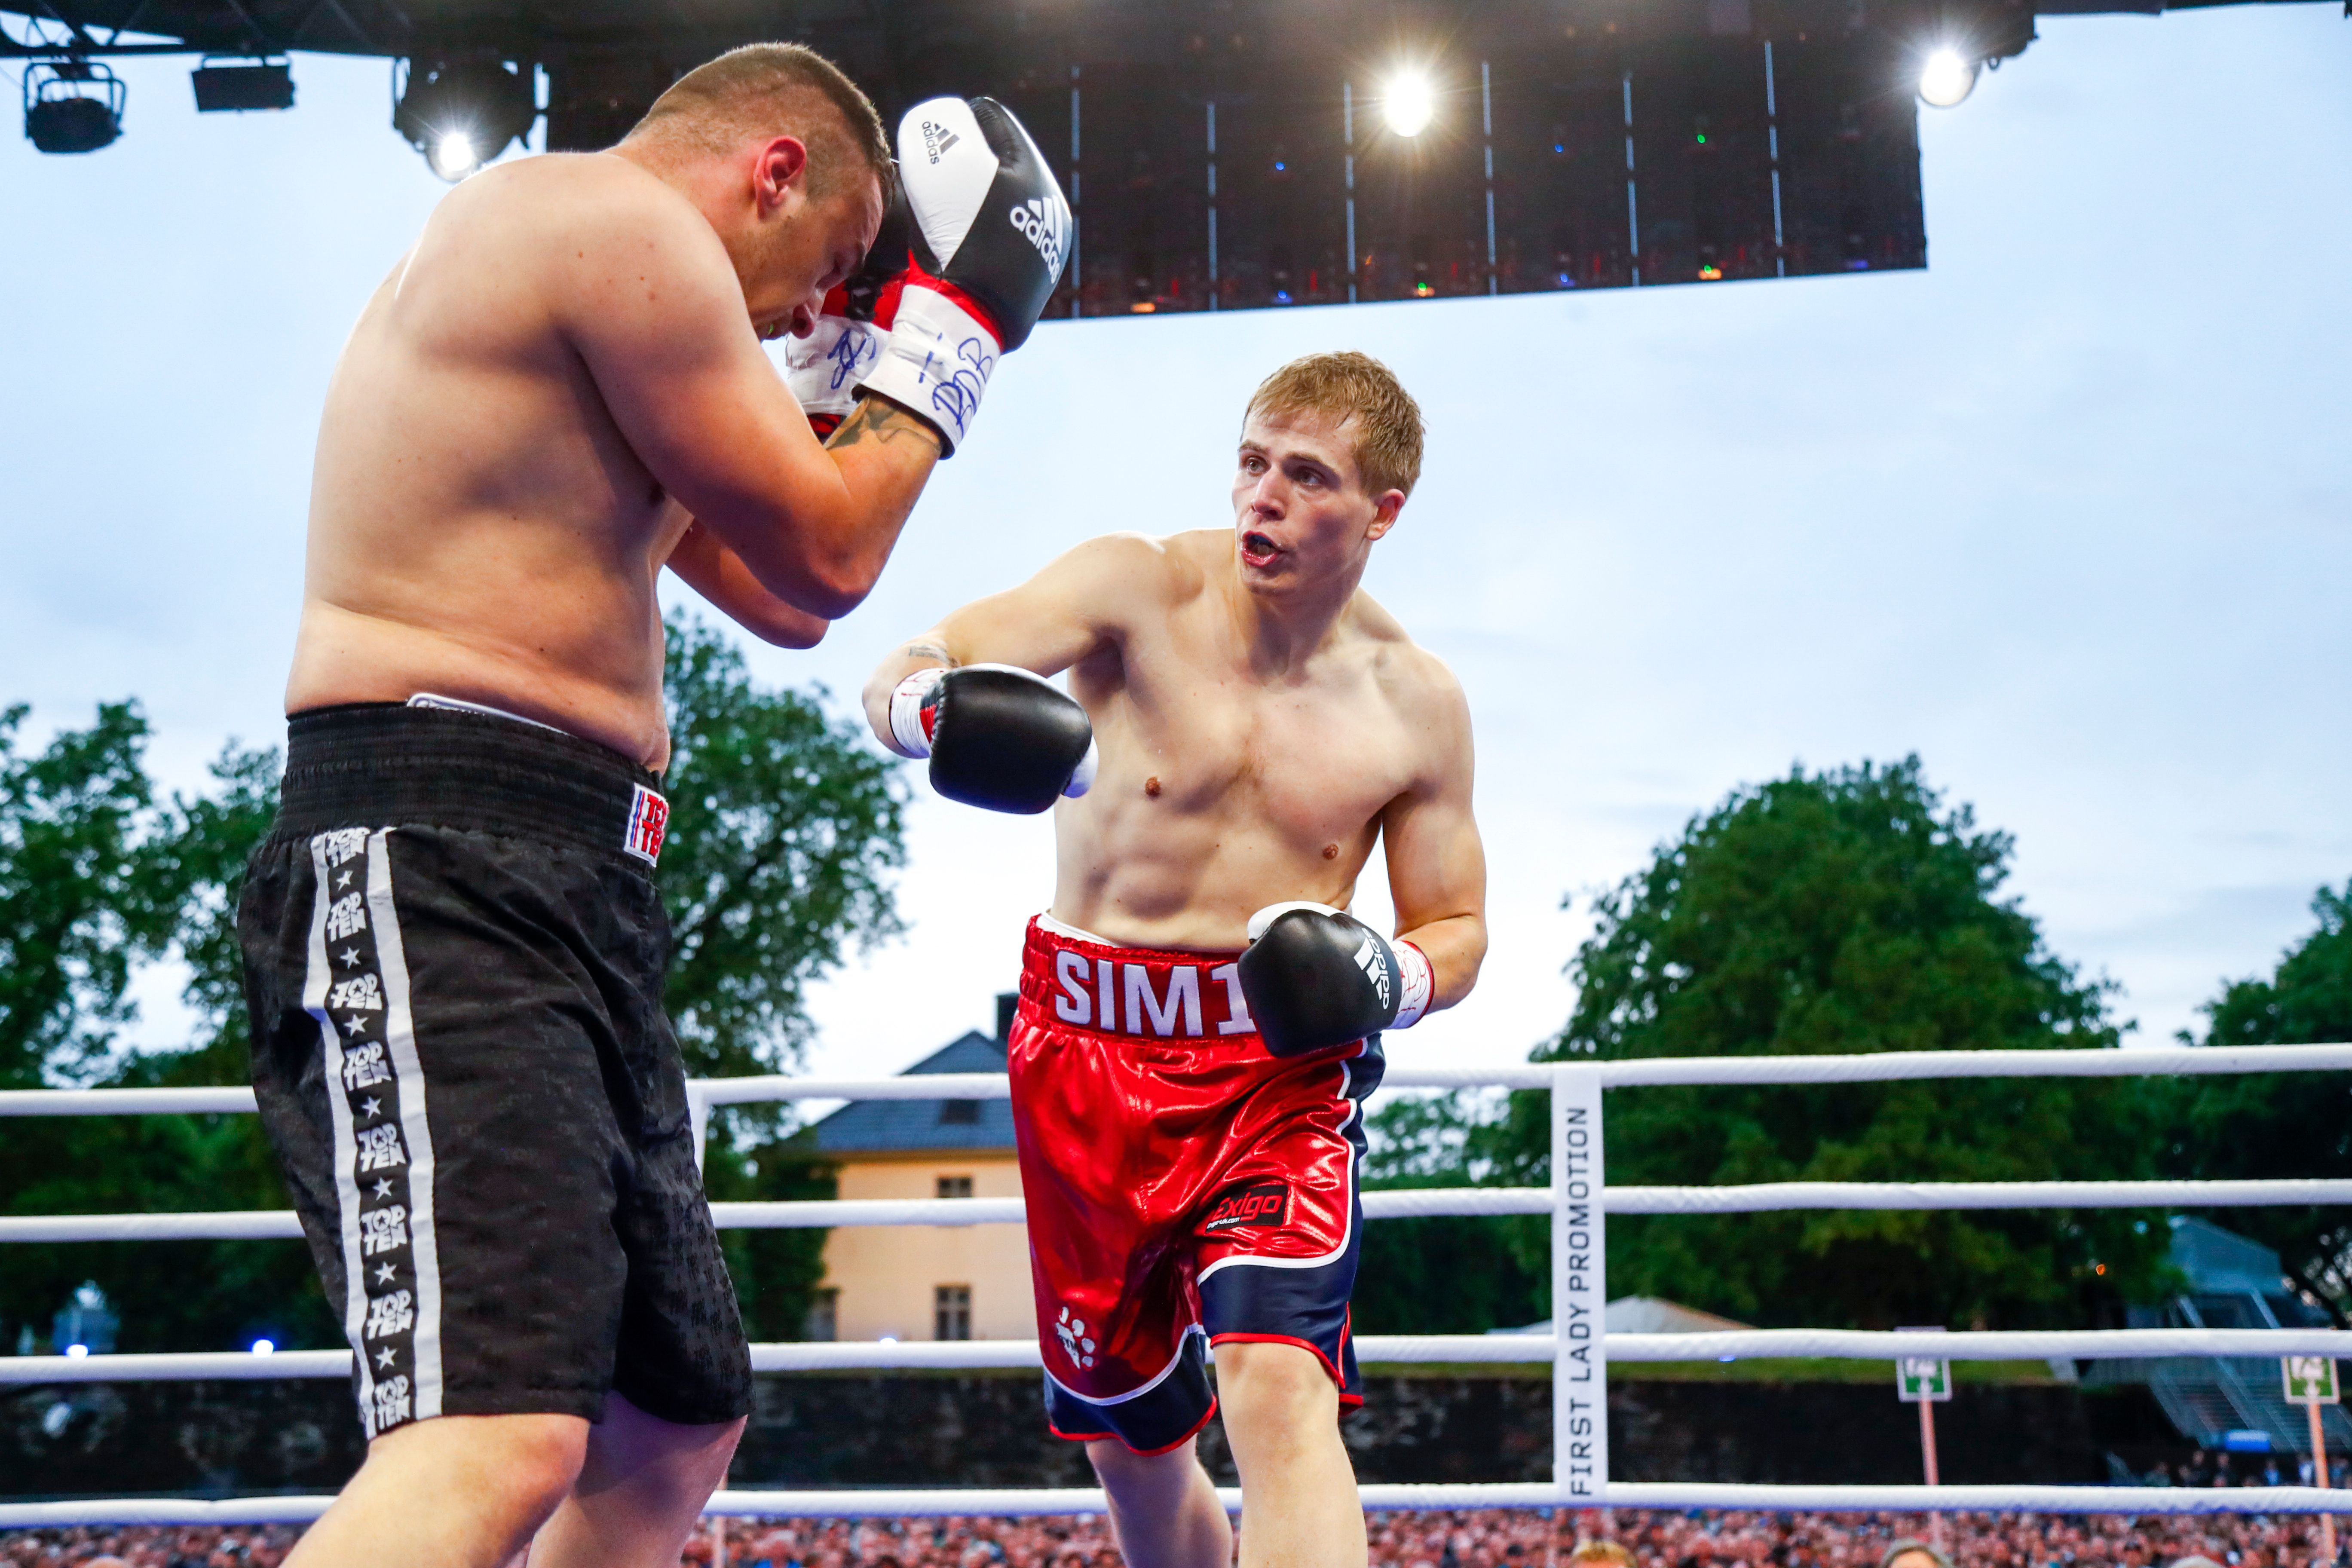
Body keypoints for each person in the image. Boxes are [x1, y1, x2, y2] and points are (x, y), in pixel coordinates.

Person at [235, 41, 1071, 1568]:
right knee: (496, 1432)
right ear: (774, 172)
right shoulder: (600, 220)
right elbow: (833, 553)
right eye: (825, 269)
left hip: (574, 879)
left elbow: (783, 602)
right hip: (437, 848)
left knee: (672, 1422)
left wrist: (846, 370)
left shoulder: (606, 328)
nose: (810, 317)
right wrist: (949, 336)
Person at [861, 350, 1487, 1567]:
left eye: (1307, 477)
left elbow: (1455, 928)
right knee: (1135, 1448)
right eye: (1253, 462)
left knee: (1280, 1385)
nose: (1264, 497)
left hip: (1274, 1077)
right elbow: (916, 662)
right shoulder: (1134, 586)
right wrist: (928, 712)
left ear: (1383, 511)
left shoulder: (1416, 703)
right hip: (1085, 1057)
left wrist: (1394, 978)